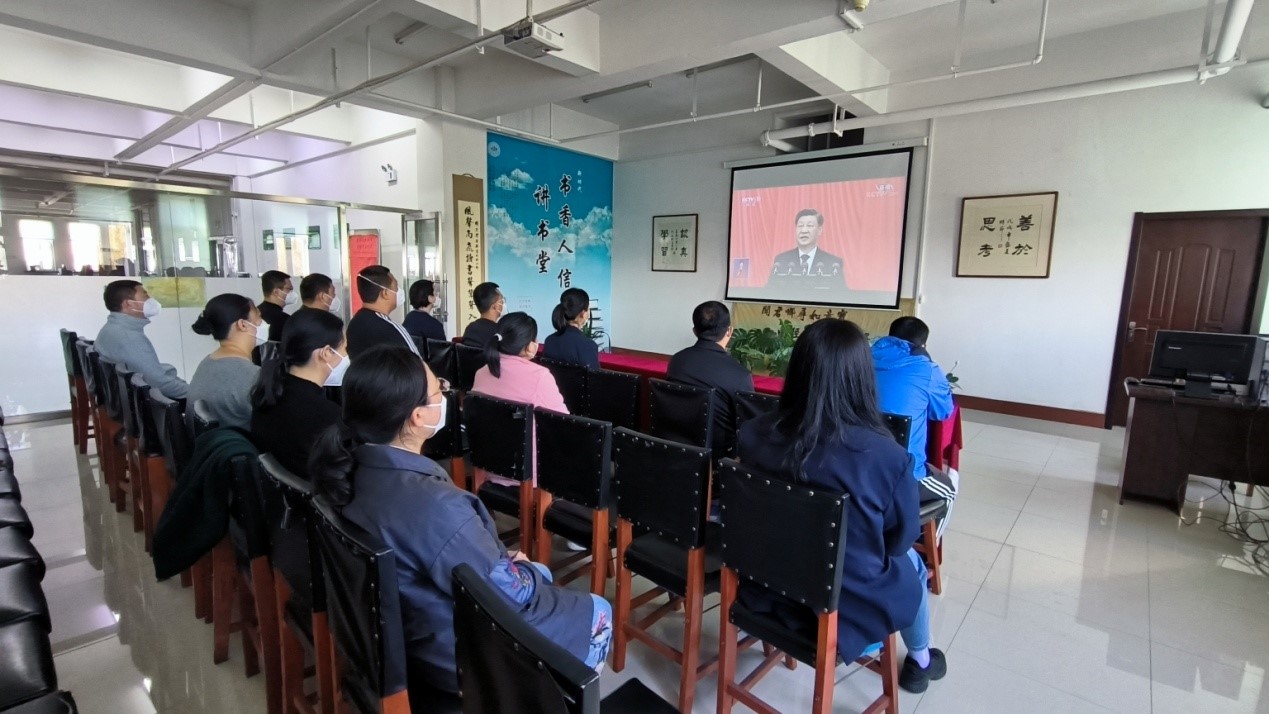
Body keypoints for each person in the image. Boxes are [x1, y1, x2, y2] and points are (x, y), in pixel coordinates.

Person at [309, 346, 609, 695]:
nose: (445, 395)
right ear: (417, 417)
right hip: (454, 654)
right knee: (596, 609)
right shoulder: (434, 505)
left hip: (406, 630)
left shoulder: (351, 468)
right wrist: (524, 570)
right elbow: (506, 595)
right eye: (438, 389)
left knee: (534, 572)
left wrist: (507, 565)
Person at [736, 319, 947, 694]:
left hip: (765, 589)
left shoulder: (754, 433)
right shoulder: (886, 456)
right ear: (862, 377)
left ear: (798, 369)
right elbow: (899, 542)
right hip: (845, 612)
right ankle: (920, 659)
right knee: (912, 562)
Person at [872, 316, 958, 526]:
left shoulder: (861, 357)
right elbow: (942, 412)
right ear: (923, 345)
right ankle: (918, 544)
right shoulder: (927, 368)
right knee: (948, 490)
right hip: (904, 474)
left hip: (856, 465)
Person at [471, 312, 568, 488]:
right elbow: (563, 424)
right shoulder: (540, 376)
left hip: (488, 465)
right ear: (529, 345)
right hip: (529, 473)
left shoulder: (481, 373)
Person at [251, 308, 347, 479]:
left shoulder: (267, 395)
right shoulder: (326, 415)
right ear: (326, 353)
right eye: (345, 349)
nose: (347, 357)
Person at [666, 301, 754, 455]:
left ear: (695, 331)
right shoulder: (740, 374)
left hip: (676, 446)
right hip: (719, 455)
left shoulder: (677, 360)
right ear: (729, 331)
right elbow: (748, 425)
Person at [94, 280, 189, 399]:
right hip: (143, 402)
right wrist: (197, 394)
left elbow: (151, 372)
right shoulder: (129, 337)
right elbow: (160, 384)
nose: (150, 299)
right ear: (128, 304)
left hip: (123, 399)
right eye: (145, 295)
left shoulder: (112, 328)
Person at [187, 294, 263, 430]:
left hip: (213, 442)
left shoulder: (207, 362)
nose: (263, 323)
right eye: (259, 316)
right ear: (242, 324)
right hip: (242, 442)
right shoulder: (251, 375)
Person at [346, 265, 419, 359]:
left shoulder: (354, 324)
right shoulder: (391, 329)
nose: (399, 291)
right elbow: (418, 365)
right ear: (385, 293)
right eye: (396, 287)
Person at [768, 209, 847, 285]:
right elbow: (769, 290)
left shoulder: (833, 263)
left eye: (809, 225)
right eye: (800, 226)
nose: (804, 230)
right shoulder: (781, 260)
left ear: (819, 230)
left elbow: (840, 292)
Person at [542, 287, 599, 370]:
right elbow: (594, 376)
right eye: (588, 309)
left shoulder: (549, 340)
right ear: (583, 313)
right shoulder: (588, 345)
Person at [461, 281, 504, 349]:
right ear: (495, 306)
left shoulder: (470, 328)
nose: (503, 304)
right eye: (502, 301)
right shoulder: (500, 332)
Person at [403, 279, 446, 343]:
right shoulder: (434, 325)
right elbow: (443, 348)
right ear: (430, 298)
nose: (437, 296)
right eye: (435, 293)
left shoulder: (409, 317)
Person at [258, 270, 295, 342]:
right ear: (276, 292)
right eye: (289, 289)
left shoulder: (255, 314)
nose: (292, 293)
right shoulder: (285, 320)